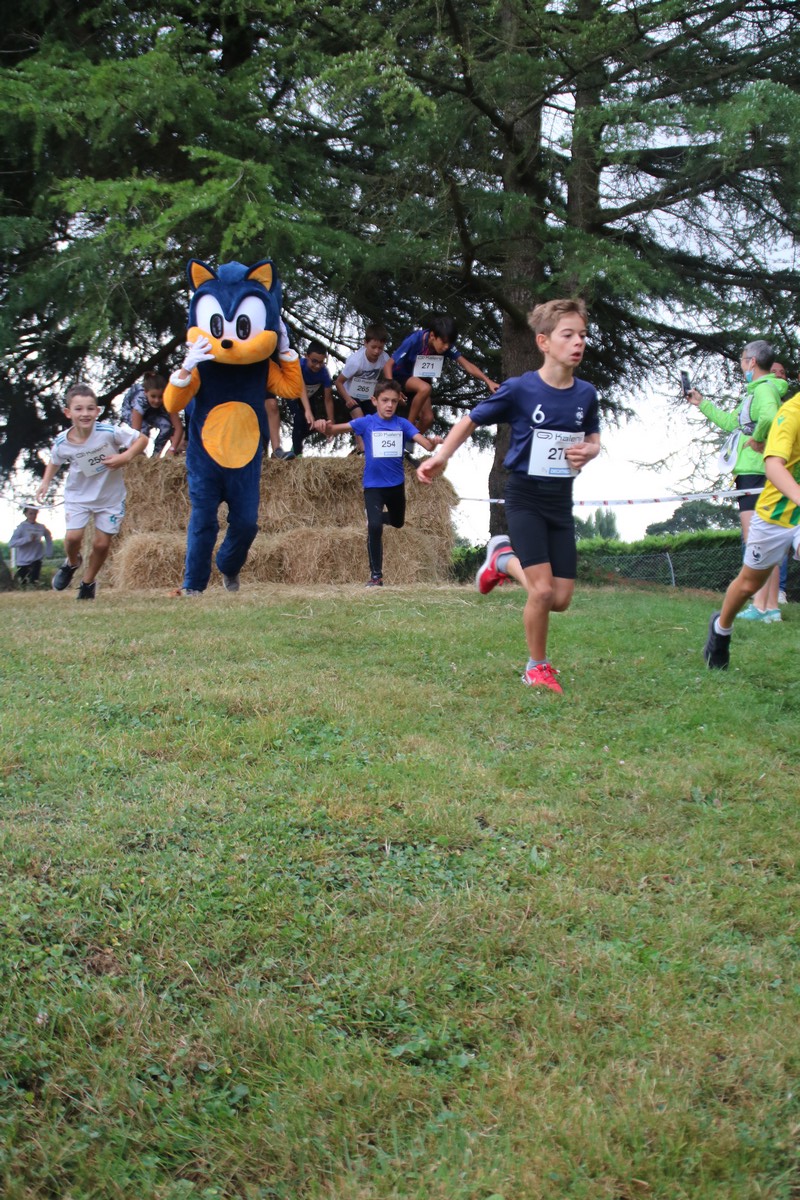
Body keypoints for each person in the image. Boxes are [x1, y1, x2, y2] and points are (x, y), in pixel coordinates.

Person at [417, 298, 601, 694]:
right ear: (543, 342)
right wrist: (441, 456)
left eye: (583, 335)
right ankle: (536, 667)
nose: (578, 343)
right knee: (542, 590)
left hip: (560, 502)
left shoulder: (586, 394)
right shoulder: (520, 389)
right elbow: (470, 420)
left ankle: (501, 558)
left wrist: (590, 450)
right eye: (568, 335)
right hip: (525, 497)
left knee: (561, 599)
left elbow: (593, 438)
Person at [686, 341, 787, 621]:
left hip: (755, 471)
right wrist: (702, 403)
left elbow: (769, 418)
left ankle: (762, 607)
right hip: (754, 471)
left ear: (752, 362)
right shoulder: (757, 391)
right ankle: (768, 608)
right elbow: (733, 424)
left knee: (756, 540)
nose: (741, 365)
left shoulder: (763, 389)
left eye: (743, 360)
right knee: (764, 540)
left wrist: (758, 439)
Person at [704, 384, 800, 669]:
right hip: (776, 514)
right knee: (748, 584)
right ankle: (721, 630)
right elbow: (774, 466)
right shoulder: (790, 413)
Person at [317, 378, 442, 586]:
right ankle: (376, 577)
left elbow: (427, 446)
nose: (389, 405)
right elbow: (334, 430)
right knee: (374, 527)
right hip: (373, 486)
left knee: (398, 522)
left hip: (396, 485)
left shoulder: (402, 424)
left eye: (394, 401)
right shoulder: (366, 422)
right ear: (375, 401)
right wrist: (324, 426)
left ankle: (377, 517)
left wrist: (434, 442)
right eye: (385, 400)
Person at [34, 383, 148, 598]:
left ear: (97, 411)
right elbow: (54, 461)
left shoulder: (109, 432)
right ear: (68, 412)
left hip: (110, 498)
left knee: (101, 544)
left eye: (90, 408)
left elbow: (142, 439)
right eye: (78, 409)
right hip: (78, 496)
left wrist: (125, 457)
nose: (85, 413)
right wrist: (45, 483)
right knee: (73, 538)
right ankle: (72, 562)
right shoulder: (62, 441)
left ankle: (87, 582)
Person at [386, 314, 499, 434]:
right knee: (425, 388)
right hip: (400, 377)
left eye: (449, 344)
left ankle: (406, 440)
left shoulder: (447, 346)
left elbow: (467, 365)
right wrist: (393, 388)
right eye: (444, 342)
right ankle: (408, 427)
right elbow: (388, 365)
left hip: (420, 379)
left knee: (428, 419)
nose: (446, 347)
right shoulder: (415, 340)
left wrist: (488, 381)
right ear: (432, 336)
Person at [335, 324, 391, 453]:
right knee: (359, 416)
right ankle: (362, 449)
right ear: (365, 343)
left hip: (367, 394)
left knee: (376, 418)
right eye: (373, 347)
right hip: (350, 393)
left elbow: (387, 378)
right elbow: (338, 382)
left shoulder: (384, 358)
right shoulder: (356, 361)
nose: (376, 351)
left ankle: (372, 447)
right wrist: (348, 399)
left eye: (380, 348)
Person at [120, 371, 184, 456]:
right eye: (153, 396)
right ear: (146, 392)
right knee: (143, 429)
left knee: (166, 426)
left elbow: (178, 427)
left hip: (153, 411)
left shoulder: (168, 399)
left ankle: (156, 455)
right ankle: (138, 453)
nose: (157, 400)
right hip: (130, 410)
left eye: (160, 397)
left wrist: (172, 448)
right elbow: (136, 431)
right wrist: (137, 450)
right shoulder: (139, 400)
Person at [291, 341, 333, 457]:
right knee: (299, 418)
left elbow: (328, 399)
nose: (317, 366)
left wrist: (332, 423)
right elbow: (300, 388)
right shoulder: (299, 366)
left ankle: (296, 443)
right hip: (293, 395)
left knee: (311, 425)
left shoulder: (324, 373)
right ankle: (297, 453)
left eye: (321, 362)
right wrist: (307, 410)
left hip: (309, 397)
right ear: (306, 356)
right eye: (314, 361)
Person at [9, 506, 53, 585]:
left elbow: (49, 537)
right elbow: (12, 543)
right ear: (25, 514)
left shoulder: (41, 527)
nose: (33, 516)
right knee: (24, 583)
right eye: (31, 513)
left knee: (34, 582)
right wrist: (27, 539)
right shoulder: (21, 527)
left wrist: (48, 552)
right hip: (23, 561)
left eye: (35, 514)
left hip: (36, 558)